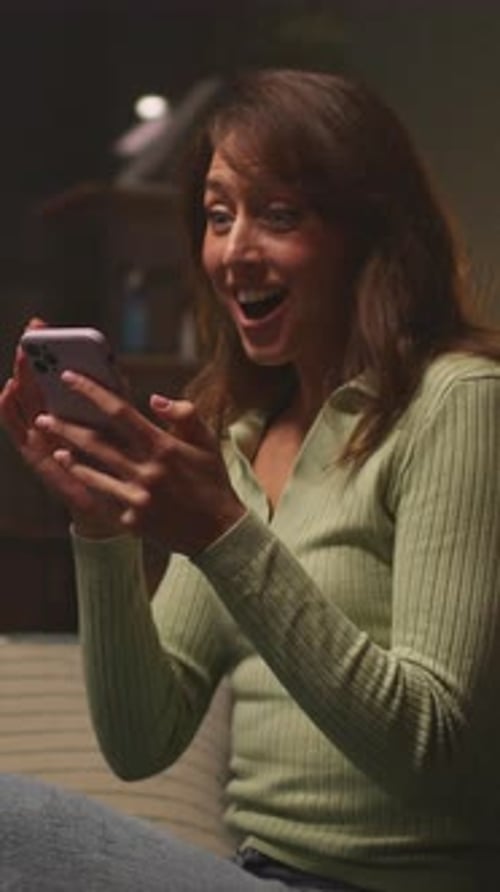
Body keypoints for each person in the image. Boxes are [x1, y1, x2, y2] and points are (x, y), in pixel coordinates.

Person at [1, 68, 500, 892]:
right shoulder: (240, 438)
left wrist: (223, 534)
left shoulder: (458, 403)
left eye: (278, 215)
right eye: (218, 215)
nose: (234, 252)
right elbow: (141, 741)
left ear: (367, 232)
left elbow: (432, 748)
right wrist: (101, 530)